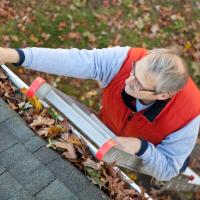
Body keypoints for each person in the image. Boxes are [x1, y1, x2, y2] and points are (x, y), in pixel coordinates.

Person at [0, 46, 200, 181]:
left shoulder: (189, 116)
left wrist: (141, 147)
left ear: (163, 94)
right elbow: (74, 60)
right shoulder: (126, 59)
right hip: (107, 130)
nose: (128, 81)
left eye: (138, 84)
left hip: (147, 153)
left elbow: (168, 168)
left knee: (174, 173)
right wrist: (14, 55)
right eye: (133, 71)